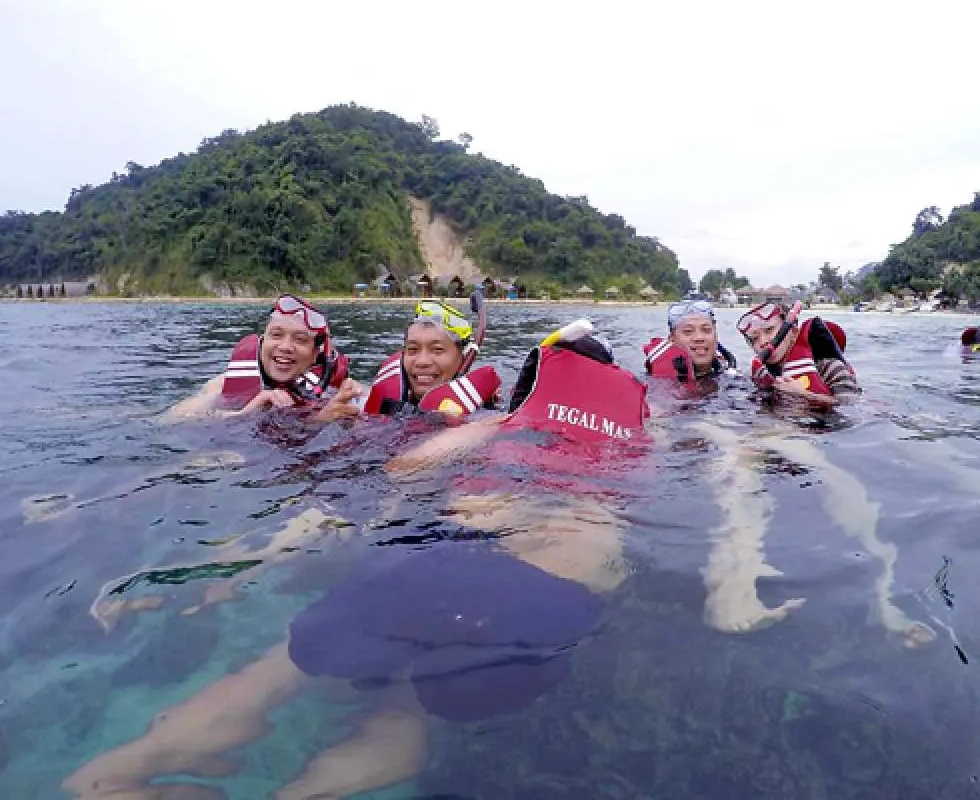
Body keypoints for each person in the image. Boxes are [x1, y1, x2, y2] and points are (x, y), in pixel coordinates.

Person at [63, 324, 648, 800]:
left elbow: (404, 469)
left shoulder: (501, 424)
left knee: (273, 675)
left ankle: (115, 772)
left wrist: (500, 423)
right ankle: (358, 756)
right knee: (407, 713)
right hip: (555, 578)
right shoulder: (638, 437)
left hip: (448, 550)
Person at [162, 294, 363, 422]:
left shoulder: (338, 392)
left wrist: (325, 421)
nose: (285, 347)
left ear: (315, 354)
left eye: (300, 339)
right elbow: (168, 421)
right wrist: (243, 414)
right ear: (262, 341)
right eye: (276, 335)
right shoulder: (222, 386)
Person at [363, 298, 500, 418]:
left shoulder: (484, 419)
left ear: (463, 358)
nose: (422, 362)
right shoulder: (378, 406)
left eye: (437, 350)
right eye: (413, 349)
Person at [735, 301, 858, 404]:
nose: (763, 342)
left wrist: (804, 395)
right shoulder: (759, 376)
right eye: (755, 338)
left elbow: (849, 408)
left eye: (769, 330)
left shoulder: (830, 367)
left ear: (793, 332)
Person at [642, 298, 737, 382]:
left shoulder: (732, 377)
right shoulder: (656, 383)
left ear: (716, 337)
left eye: (706, 330)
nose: (699, 338)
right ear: (672, 340)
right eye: (688, 331)